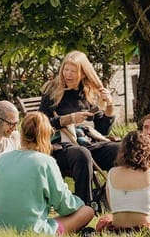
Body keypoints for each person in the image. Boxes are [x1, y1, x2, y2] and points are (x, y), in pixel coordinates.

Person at [0, 111, 96, 236]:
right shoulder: (45, 162)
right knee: (87, 211)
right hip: (32, 231)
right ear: (47, 135)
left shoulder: (4, 159)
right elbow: (65, 205)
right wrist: (80, 202)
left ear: (22, 134)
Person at [37, 51, 120, 202]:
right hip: (61, 147)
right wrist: (68, 119)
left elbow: (102, 130)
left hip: (89, 143)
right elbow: (39, 124)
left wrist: (109, 107)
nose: (67, 74)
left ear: (82, 74)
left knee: (122, 149)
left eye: (73, 71)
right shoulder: (52, 92)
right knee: (82, 153)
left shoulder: (88, 93)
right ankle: (84, 205)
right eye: (65, 69)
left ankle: (117, 198)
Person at [96, 129, 150, 233]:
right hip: (145, 229)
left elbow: (114, 209)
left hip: (116, 230)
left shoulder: (112, 173)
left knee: (105, 218)